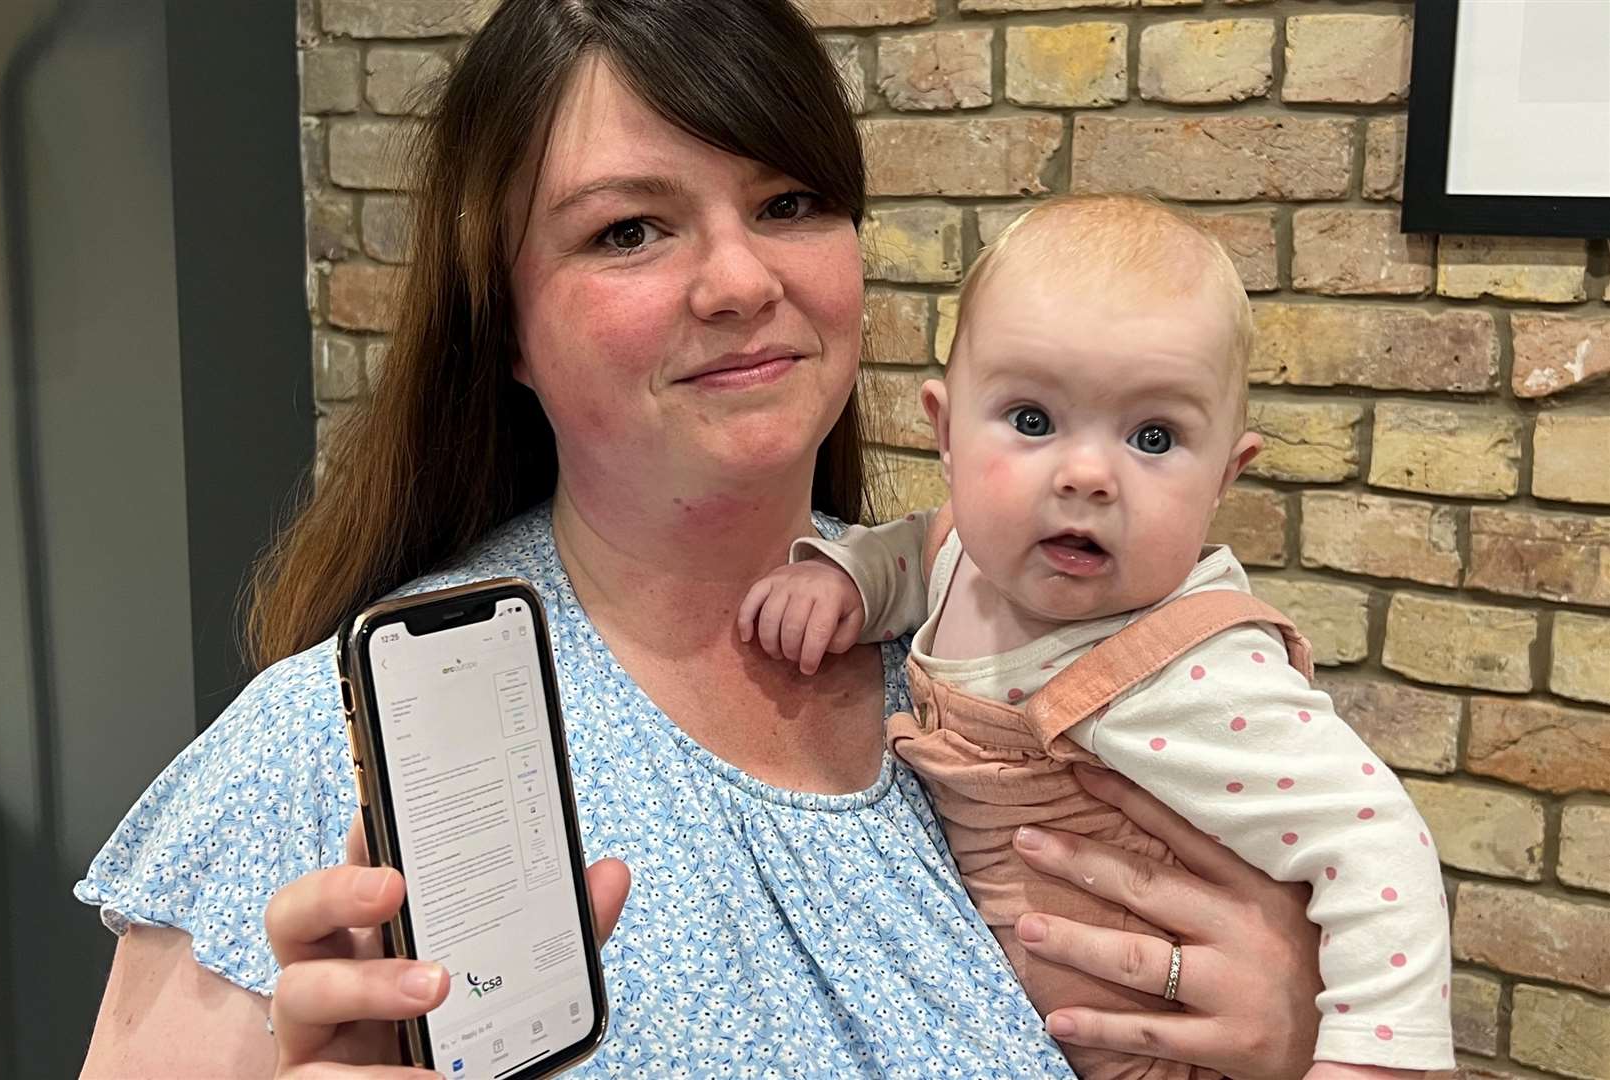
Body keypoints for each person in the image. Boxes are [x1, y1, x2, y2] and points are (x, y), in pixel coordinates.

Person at [76, 3, 1327, 1077]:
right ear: (500, 326)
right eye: (628, 230)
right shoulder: (313, 761)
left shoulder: (1027, 641)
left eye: (787, 203)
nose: (737, 282)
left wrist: (1285, 1030)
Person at [739, 195, 1453, 1079]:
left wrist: (1375, 1056)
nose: (1086, 476)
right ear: (944, 432)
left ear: (1226, 476)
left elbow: (1375, 842)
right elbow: (917, 550)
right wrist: (841, 574)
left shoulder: (1192, 668)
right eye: (1032, 421)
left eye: (1152, 437)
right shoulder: (965, 554)